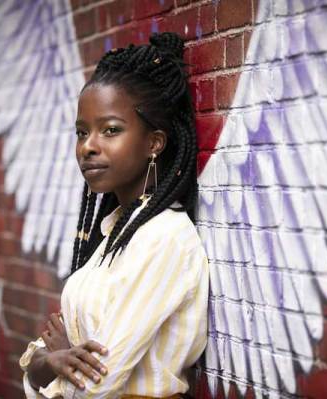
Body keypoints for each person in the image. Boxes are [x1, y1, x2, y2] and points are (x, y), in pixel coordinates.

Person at [19, 32, 209, 399]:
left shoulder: (164, 239)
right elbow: (41, 363)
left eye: (110, 130)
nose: (88, 147)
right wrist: (49, 361)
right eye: (82, 132)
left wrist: (54, 359)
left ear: (154, 143)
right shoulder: (114, 233)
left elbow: (94, 384)